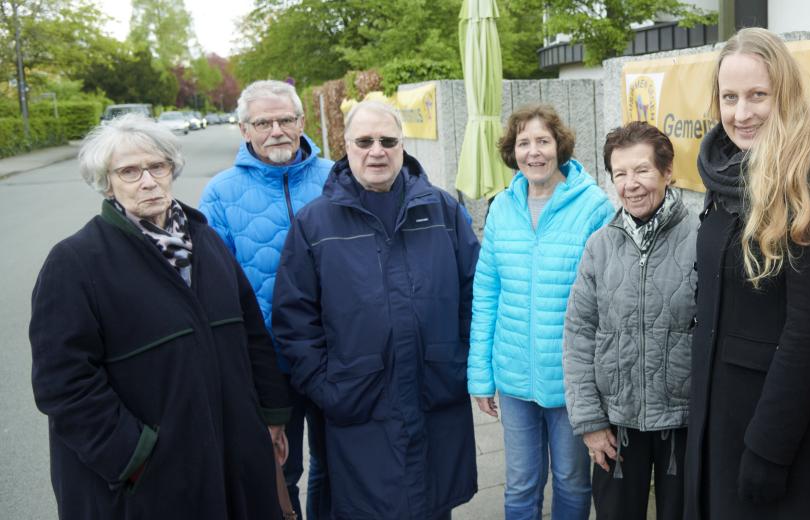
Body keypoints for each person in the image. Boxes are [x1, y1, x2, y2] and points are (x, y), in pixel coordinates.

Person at [29, 114, 292, 518]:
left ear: (172, 169)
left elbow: (252, 335)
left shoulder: (207, 242)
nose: (148, 181)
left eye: (157, 166)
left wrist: (271, 418)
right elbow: (63, 383)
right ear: (107, 181)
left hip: (232, 457)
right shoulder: (76, 262)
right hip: (148, 483)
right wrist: (134, 456)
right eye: (129, 171)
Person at [685, 27, 810, 520]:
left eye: (757, 96)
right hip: (717, 416)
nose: (741, 113)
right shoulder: (726, 169)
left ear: (784, 94)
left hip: (780, 431)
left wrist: (769, 448)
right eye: (730, 97)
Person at [271, 100, 479, 519]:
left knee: (432, 505)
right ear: (345, 146)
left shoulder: (443, 211)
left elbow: (474, 295)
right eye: (364, 141)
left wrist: (460, 361)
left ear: (403, 145)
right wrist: (326, 387)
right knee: (369, 508)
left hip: (434, 394)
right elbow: (295, 320)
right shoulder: (315, 224)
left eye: (388, 140)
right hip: (360, 403)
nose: (376, 151)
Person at [468, 103, 614, 519]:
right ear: (512, 151)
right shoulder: (501, 210)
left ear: (560, 146)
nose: (534, 152)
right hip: (514, 379)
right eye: (524, 142)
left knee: (571, 480)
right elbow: (486, 294)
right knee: (521, 483)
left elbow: (606, 301)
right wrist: (481, 376)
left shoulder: (594, 208)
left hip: (571, 383)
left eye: (543, 141)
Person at [199, 79, 333, 519]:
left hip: (338, 355)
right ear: (244, 129)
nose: (276, 129)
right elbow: (215, 291)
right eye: (263, 121)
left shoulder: (336, 177)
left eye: (285, 119)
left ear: (301, 122)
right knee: (280, 470)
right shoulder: (220, 194)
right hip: (269, 364)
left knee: (337, 466)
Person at [563, 121, 696, 520]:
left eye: (641, 170)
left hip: (684, 426)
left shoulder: (702, 237)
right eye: (620, 174)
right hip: (616, 428)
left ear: (667, 171)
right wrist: (589, 421)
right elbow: (579, 334)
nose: (630, 184)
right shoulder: (600, 245)